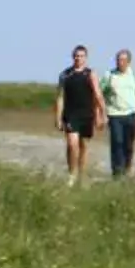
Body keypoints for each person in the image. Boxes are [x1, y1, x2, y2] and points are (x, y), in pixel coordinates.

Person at [55, 45, 105, 184]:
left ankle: (81, 174)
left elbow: (97, 94)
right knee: (72, 143)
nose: (79, 58)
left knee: (83, 146)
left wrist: (102, 113)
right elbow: (60, 97)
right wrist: (58, 117)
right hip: (70, 113)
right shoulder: (65, 74)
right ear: (73, 57)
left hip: (87, 114)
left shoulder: (90, 74)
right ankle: (72, 174)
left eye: (81, 56)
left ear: (85, 58)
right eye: (76, 56)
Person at [100, 48, 135, 179]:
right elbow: (100, 94)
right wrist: (101, 112)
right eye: (118, 60)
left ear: (129, 62)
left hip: (131, 114)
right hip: (114, 114)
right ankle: (117, 171)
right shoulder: (109, 75)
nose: (120, 62)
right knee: (117, 142)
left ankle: (127, 167)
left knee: (128, 144)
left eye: (123, 60)